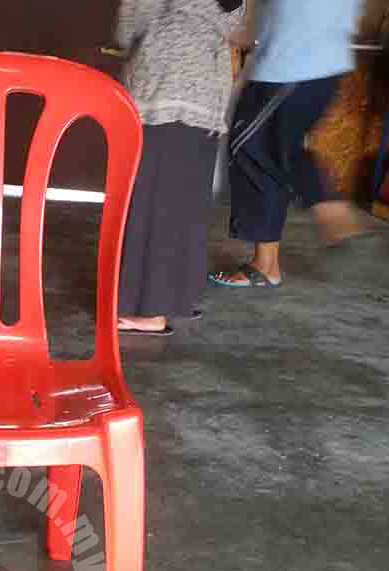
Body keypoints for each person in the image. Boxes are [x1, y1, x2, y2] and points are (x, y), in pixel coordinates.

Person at [210, 0, 374, 289]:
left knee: (256, 146)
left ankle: (330, 209)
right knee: (269, 148)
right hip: (316, 63)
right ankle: (268, 264)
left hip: (292, 63)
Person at [116, 0, 245, 336]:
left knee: (154, 204)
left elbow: (132, 21)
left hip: (167, 84)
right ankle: (181, 298)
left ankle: (150, 311)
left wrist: (126, 39)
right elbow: (233, 21)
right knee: (187, 203)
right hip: (207, 89)